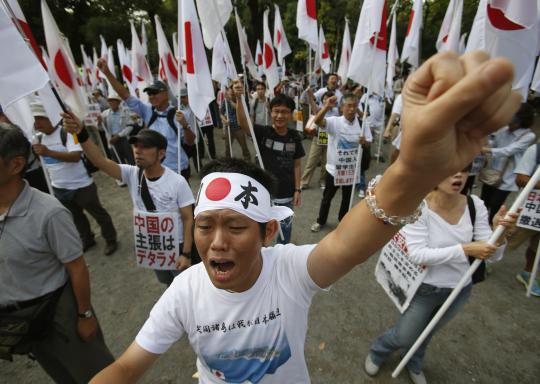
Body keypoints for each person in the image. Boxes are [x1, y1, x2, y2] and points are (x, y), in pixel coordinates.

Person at [88, 51, 522, 384]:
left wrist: (414, 171)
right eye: (205, 225)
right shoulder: (183, 292)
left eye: (236, 226)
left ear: (268, 231)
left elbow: (350, 241)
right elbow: (126, 367)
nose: (216, 241)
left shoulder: (290, 271)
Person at [364, 167, 517, 384]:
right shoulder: (419, 206)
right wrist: (465, 249)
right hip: (424, 289)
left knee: (427, 333)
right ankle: (378, 351)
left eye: (464, 170)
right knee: (405, 334)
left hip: (459, 290)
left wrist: (499, 236)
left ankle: (413, 361)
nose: (458, 175)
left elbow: (491, 256)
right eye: (451, 169)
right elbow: (417, 254)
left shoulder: (476, 205)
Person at [0, 123, 114, 383]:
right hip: (22, 320)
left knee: (96, 375)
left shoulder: (48, 213)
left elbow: (77, 267)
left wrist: (84, 315)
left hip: (59, 313)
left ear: (16, 165)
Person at [63, 114, 196, 287]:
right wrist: (81, 133)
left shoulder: (177, 182)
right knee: (167, 284)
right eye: (136, 146)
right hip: (152, 245)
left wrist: (186, 253)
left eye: (145, 147)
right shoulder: (131, 174)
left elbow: (188, 218)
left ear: (161, 153)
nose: (137, 151)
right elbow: (99, 161)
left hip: (176, 245)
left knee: (186, 285)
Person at [30, 101, 118, 255]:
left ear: (50, 118)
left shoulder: (67, 133)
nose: (36, 123)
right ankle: (87, 239)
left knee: (99, 214)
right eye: (35, 119)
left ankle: (111, 239)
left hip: (81, 185)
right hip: (59, 187)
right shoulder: (39, 139)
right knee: (76, 217)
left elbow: (75, 156)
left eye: (39, 119)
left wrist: (48, 152)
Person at [96, 59, 196, 180]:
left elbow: (190, 142)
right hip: (155, 169)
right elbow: (125, 95)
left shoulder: (180, 114)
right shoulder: (147, 111)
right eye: (149, 94)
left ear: (165, 94)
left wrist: (185, 126)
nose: (152, 96)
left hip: (178, 168)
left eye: (155, 92)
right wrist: (107, 73)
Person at [235, 82, 305, 245]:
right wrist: (239, 98)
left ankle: (282, 262)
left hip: (287, 196)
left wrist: (297, 189)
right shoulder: (262, 132)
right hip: (263, 194)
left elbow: (297, 164)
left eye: (285, 112)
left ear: (291, 114)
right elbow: (243, 124)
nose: (280, 116)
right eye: (276, 111)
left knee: (284, 235)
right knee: (261, 234)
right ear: (270, 112)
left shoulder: (295, 137)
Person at [308, 93, 372, 232]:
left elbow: (368, 143)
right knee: (327, 198)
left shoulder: (362, 123)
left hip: (351, 171)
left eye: (354, 106)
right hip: (333, 170)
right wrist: (326, 107)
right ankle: (321, 221)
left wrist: (364, 142)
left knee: (347, 200)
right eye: (348, 106)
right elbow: (318, 122)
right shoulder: (334, 121)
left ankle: (342, 224)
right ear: (342, 107)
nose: (351, 109)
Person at [480, 103, 536, 222]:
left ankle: (491, 226)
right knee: (483, 202)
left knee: (496, 205)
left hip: (508, 177)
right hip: (492, 173)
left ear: (521, 121)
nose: (509, 123)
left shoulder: (528, 136)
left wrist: (487, 150)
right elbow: (493, 144)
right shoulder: (504, 130)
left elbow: (509, 150)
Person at [511, 142, 540, 296]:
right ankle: (484, 261)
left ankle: (527, 273)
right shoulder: (536, 150)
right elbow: (521, 179)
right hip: (529, 210)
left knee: (537, 247)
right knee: (508, 238)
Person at [299, 89, 335, 190]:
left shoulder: (337, 111)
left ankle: (323, 181)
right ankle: (304, 182)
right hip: (318, 138)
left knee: (325, 163)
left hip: (331, 140)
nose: (326, 101)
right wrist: (310, 96)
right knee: (311, 161)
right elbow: (313, 107)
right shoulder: (320, 110)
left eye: (328, 99)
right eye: (324, 99)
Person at [99, 93, 135, 165]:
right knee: (118, 162)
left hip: (123, 139)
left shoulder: (126, 112)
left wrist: (119, 135)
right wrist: (99, 123)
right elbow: (101, 129)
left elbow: (130, 126)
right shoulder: (104, 114)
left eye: (114, 101)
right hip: (111, 140)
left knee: (131, 160)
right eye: (110, 101)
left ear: (119, 102)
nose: (112, 103)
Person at [220, 85, 251, 161]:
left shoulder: (240, 100)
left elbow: (238, 108)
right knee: (227, 147)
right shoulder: (225, 101)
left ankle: (247, 159)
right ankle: (228, 161)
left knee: (244, 146)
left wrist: (230, 100)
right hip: (229, 127)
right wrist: (224, 120)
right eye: (230, 90)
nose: (231, 92)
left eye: (233, 91)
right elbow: (221, 113)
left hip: (239, 127)